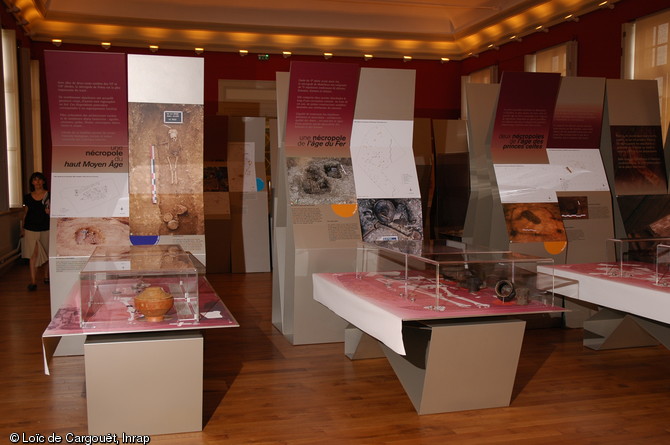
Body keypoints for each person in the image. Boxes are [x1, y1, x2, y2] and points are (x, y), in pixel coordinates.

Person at [22, 172, 50, 291]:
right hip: (30, 228)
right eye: (35, 180)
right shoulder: (27, 197)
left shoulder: (48, 195)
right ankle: (33, 281)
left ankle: (46, 276)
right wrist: (22, 227)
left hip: (46, 227)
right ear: (32, 182)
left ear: (43, 181)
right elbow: (25, 213)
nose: (37, 182)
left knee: (46, 253)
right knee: (33, 255)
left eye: (39, 180)